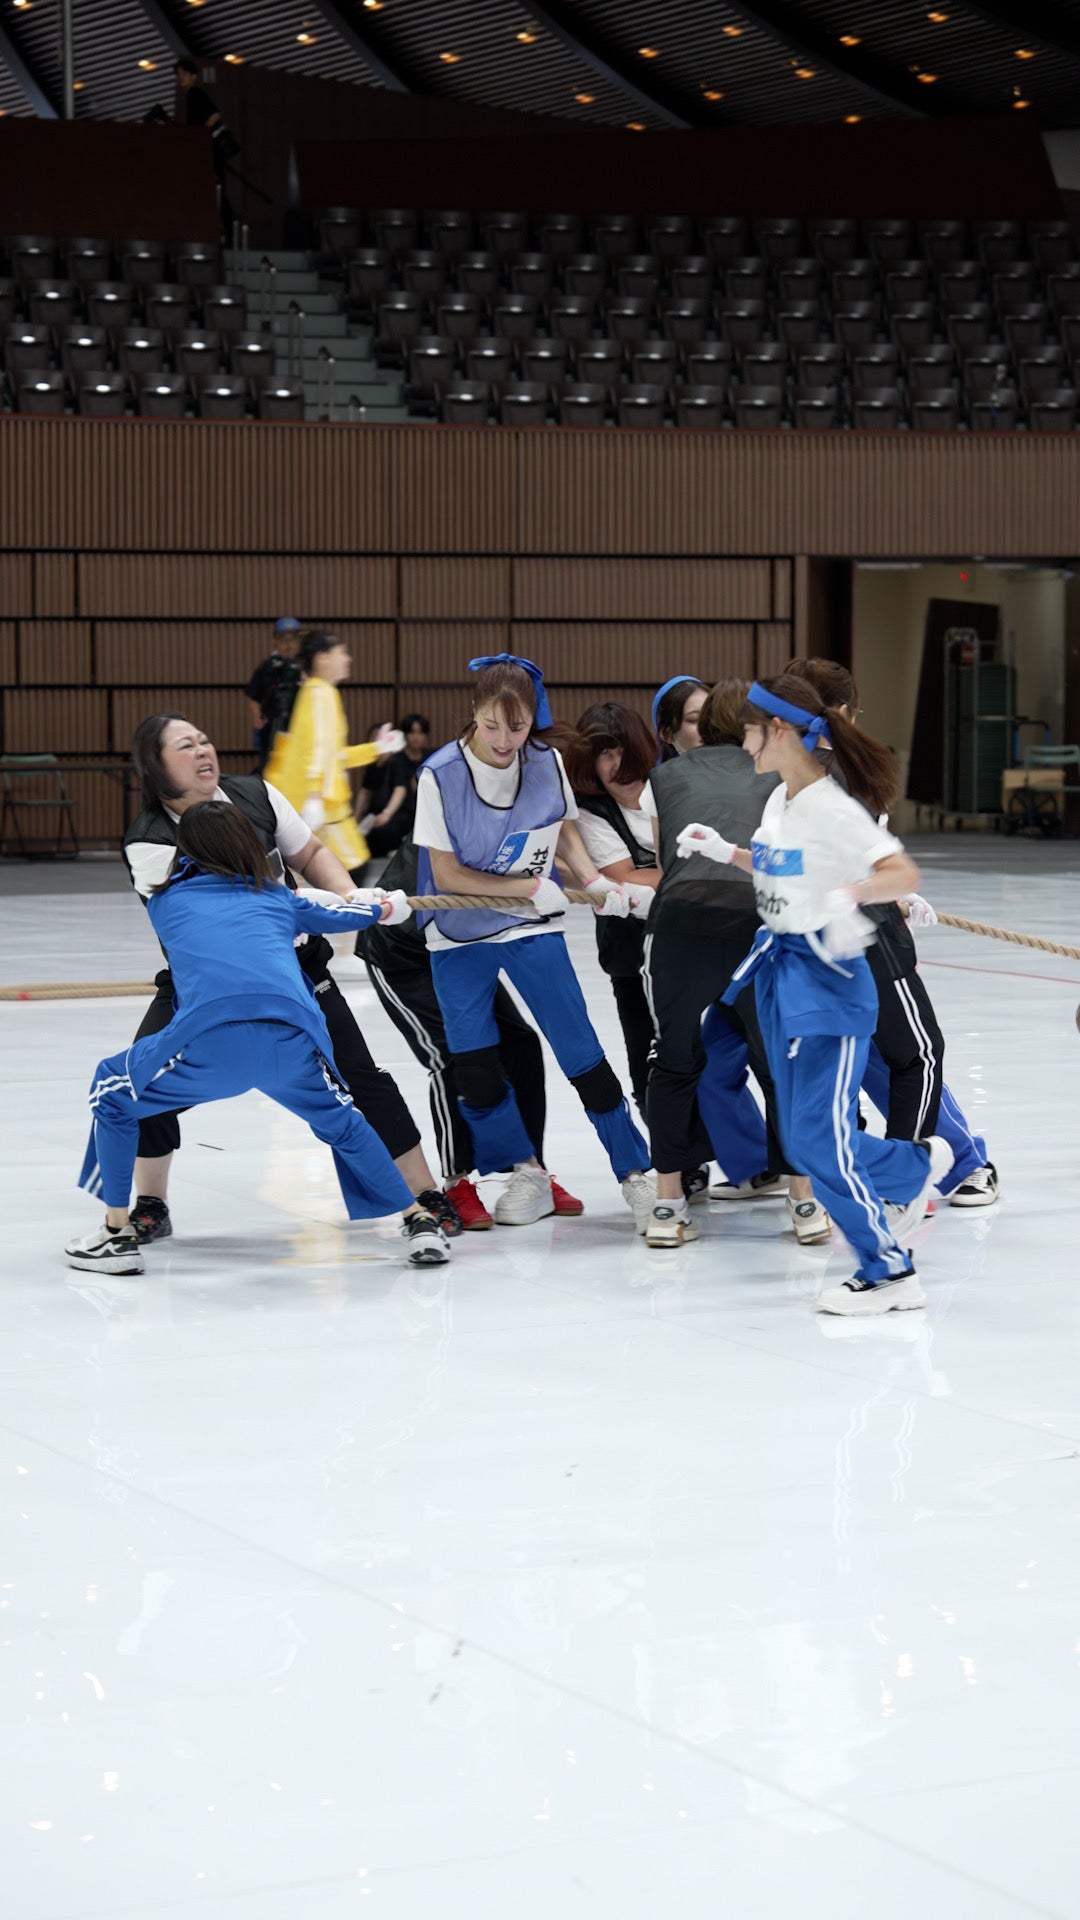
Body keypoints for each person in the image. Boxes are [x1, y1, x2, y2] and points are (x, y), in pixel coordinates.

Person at [67, 804, 449, 1276]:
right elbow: (345, 915)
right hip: (293, 1043)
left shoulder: (166, 904)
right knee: (344, 1122)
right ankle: (419, 1220)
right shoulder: (277, 898)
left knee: (112, 1089)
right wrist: (387, 906)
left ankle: (115, 1232)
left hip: (209, 1045)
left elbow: (203, 913)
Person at [121, 712, 460, 1245]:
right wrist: (311, 905)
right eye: (186, 745)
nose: (204, 750)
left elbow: (312, 852)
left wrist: (352, 897)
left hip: (298, 971)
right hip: (206, 986)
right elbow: (231, 903)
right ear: (156, 767)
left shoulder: (255, 794)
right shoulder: (149, 842)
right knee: (141, 1080)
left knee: (360, 1076)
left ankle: (423, 1193)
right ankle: (150, 1202)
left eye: (206, 738)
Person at [678, 672, 954, 1315]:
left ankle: (889, 1269)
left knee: (819, 1140)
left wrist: (849, 895)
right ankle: (911, 1168)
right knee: (804, 1142)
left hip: (828, 984)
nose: (741, 742)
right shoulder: (782, 801)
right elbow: (785, 870)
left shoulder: (832, 807)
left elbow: (899, 870)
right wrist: (728, 854)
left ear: (778, 730)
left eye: (748, 729)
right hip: (781, 975)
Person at [413, 653, 654, 1229]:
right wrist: (525, 887)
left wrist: (593, 881)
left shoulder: (545, 761)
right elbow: (445, 876)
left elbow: (563, 828)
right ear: (474, 712)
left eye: (516, 726)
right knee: (473, 1066)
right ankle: (526, 1172)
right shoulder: (439, 774)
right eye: (493, 725)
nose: (504, 739)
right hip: (460, 931)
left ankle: (636, 1174)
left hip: (530, 924)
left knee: (580, 1052)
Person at [788, 656, 1000, 1209]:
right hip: (861, 937)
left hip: (815, 939)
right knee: (914, 1056)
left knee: (862, 1064)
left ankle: (853, 1180)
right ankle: (911, 1175)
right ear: (841, 711)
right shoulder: (831, 773)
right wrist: (886, 889)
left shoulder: (798, 772)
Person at [638, 678, 823, 1249]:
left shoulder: (662, 777)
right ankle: (804, 1200)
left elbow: (667, 858)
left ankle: (668, 1204)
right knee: (780, 1066)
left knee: (673, 1063)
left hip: (680, 929)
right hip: (760, 926)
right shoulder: (785, 774)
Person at [356, 834, 584, 1228]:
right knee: (450, 1056)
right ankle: (455, 1181)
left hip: (460, 944)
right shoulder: (451, 814)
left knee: (520, 1042)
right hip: (403, 955)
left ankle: (531, 1172)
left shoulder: (516, 822)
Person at [562, 701, 708, 1209]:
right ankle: (681, 1158)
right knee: (646, 1056)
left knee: (709, 1052)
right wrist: (682, 877)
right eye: (601, 754)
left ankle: (748, 1154)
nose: (612, 765)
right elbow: (622, 876)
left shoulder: (673, 782)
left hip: (698, 943)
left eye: (620, 750)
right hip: (631, 951)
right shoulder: (587, 810)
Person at [264, 628, 403, 880]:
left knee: (328, 877)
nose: (347, 659)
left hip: (321, 807)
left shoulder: (316, 692)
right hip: (321, 808)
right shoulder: (321, 693)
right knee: (350, 871)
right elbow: (317, 752)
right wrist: (315, 797)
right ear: (322, 658)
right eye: (342, 652)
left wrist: (377, 748)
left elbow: (334, 755)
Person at [175, 57, 236, 244]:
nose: (181, 78)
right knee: (215, 191)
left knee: (214, 190)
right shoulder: (192, 95)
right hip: (209, 148)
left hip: (209, 150)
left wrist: (202, 135)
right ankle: (229, 228)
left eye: (184, 74)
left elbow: (214, 114)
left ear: (194, 76)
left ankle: (230, 227)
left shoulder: (195, 94)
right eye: (179, 75)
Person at [357, 713, 431, 863]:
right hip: (398, 813)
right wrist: (357, 818)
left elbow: (401, 790)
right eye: (412, 732)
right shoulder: (395, 759)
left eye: (420, 732)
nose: (416, 737)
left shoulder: (431, 758)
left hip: (421, 811)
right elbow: (367, 791)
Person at [245, 618, 303, 771]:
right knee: (271, 767)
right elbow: (253, 695)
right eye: (284, 640)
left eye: (293, 640)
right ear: (275, 642)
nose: (289, 645)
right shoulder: (267, 668)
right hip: (272, 728)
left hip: (299, 727)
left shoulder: (305, 668)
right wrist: (257, 715)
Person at [652, 677, 708, 762]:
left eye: (711, 717)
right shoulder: (657, 774)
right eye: (693, 719)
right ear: (666, 734)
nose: (708, 726)